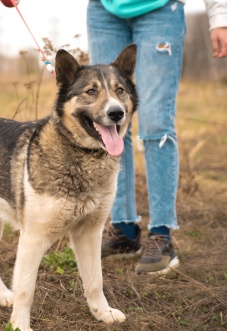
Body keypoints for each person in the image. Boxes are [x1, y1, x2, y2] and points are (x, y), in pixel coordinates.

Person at [87, 0, 227, 275]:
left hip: (160, 9)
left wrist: (220, 15)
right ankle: (124, 229)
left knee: (155, 123)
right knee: (111, 117)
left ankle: (162, 235)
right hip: (104, 11)